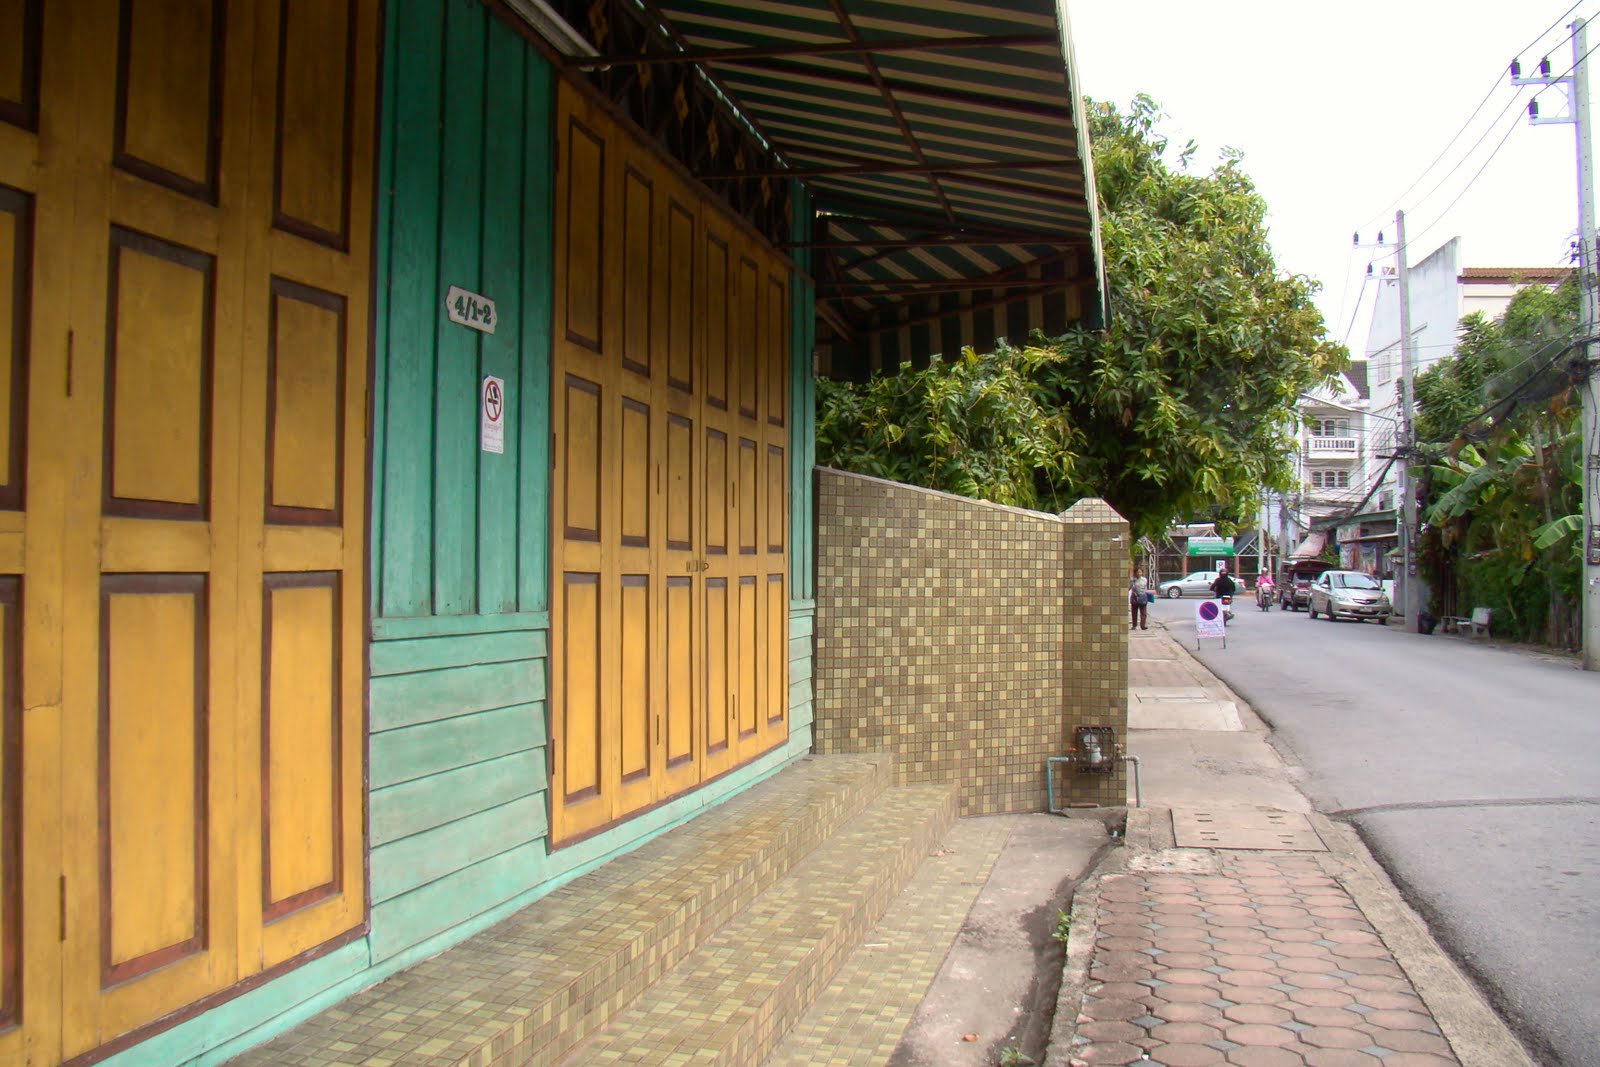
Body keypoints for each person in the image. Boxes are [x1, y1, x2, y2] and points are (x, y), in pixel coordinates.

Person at [1128, 566, 1149, 630]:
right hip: (1135, 598)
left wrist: (1145, 594)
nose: (1139, 573)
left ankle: (1143, 625)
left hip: (1142, 597)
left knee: (1143, 612)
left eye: (1140, 572)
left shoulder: (1144, 580)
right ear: (1135, 573)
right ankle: (1134, 625)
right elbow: (1129, 587)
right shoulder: (1132, 580)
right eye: (1138, 572)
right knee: (1134, 612)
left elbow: (1145, 588)